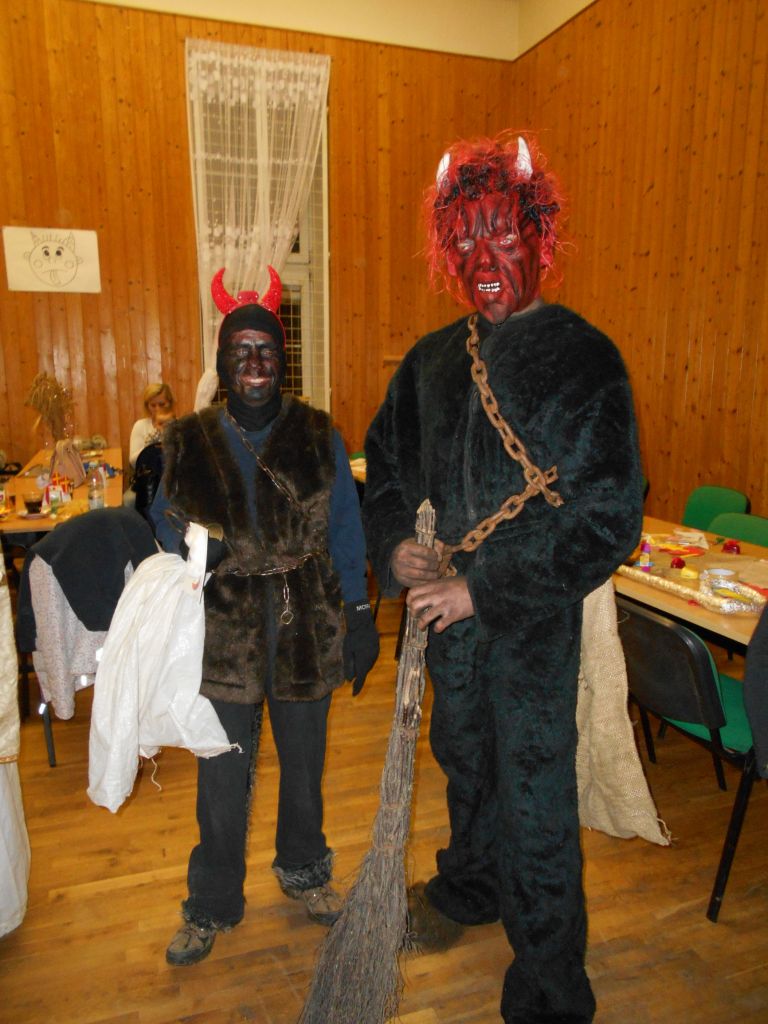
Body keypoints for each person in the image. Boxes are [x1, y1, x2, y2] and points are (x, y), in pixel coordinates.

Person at [362, 132, 643, 1023]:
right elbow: (385, 463)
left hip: (529, 627)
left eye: (504, 237)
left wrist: (481, 589)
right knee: (465, 764)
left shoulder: (583, 359)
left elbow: (607, 516)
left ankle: (552, 985)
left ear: (540, 238)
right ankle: (471, 885)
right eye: (466, 242)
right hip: (450, 632)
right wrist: (396, 546)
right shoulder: (431, 362)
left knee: (533, 796)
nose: (485, 262)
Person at [149, 266, 379, 967]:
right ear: (223, 363)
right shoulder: (188, 439)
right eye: (240, 351)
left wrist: (360, 613)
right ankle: (211, 901)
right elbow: (163, 524)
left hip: (306, 620)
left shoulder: (317, 433)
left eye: (267, 351)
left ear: (283, 361)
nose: (254, 363)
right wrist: (199, 546)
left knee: (304, 766)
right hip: (223, 627)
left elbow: (346, 529)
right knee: (222, 775)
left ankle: (305, 870)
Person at [128, 382, 176, 468]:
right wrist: (152, 444)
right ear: (147, 406)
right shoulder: (140, 426)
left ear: (170, 403)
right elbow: (133, 461)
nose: (157, 409)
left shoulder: (179, 425)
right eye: (153, 405)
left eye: (162, 404)